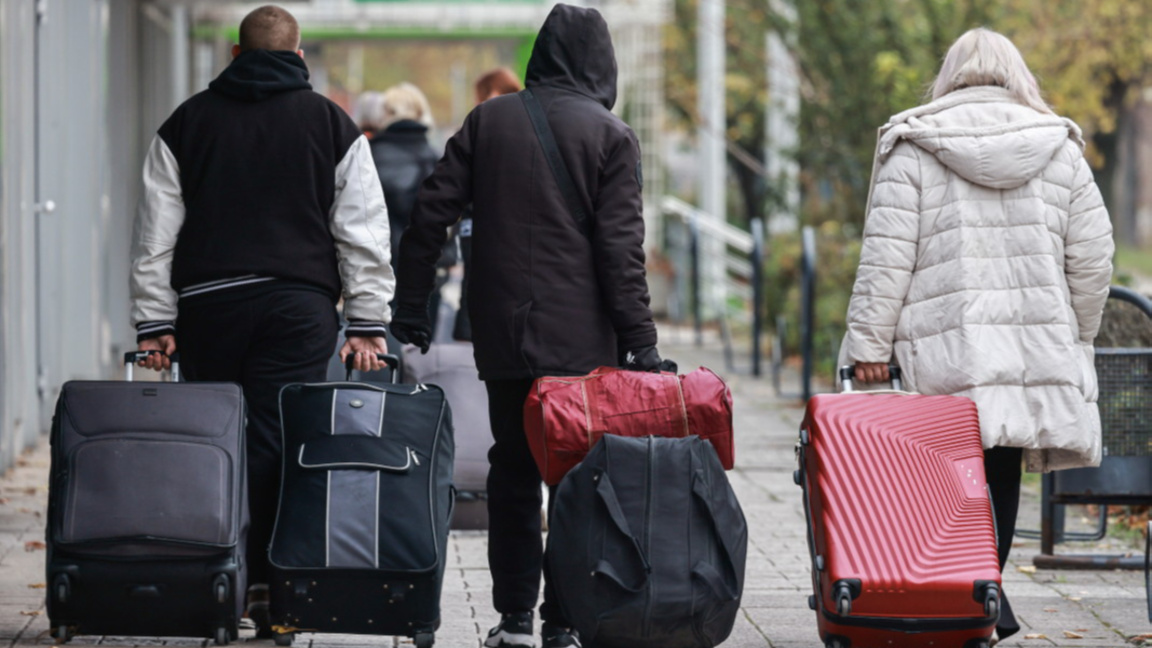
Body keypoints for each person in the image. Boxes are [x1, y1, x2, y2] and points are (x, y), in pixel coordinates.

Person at [392, 5, 670, 647]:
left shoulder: (488, 121)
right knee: (577, 481)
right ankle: (564, 623)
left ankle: (514, 620)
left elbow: (428, 215)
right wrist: (642, 343)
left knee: (512, 470)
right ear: (603, 63)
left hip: (504, 336)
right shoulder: (611, 135)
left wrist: (410, 307)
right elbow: (620, 253)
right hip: (582, 346)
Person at [843, 28, 1114, 643]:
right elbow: (1095, 259)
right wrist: (1076, 334)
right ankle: (985, 597)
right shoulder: (1059, 148)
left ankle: (963, 597)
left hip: (943, 348)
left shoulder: (913, 146)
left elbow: (887, 260)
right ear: (1019, 76)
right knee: (1001, 466)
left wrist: (867, 348)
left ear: (949, 77)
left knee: (942, 474)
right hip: (1028, 349)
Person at [129, 4, 393, 632]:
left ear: (235, 57)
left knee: (218, 440)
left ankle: (222, 584)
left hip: (209, 306)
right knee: (281, 444)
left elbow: (155, 238)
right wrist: (366, 323)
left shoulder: (186, 123)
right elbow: (361, 232)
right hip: (297, 309)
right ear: (299, 58)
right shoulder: (333, 124)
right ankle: (274, 595)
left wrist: (153, 323)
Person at [453, 68, 523, 342]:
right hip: (495, 226)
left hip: (482, 224)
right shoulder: (528, 126)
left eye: (483, 96)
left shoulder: (483, 127)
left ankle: (469, 336)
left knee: (477, 287)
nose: (478, 103)